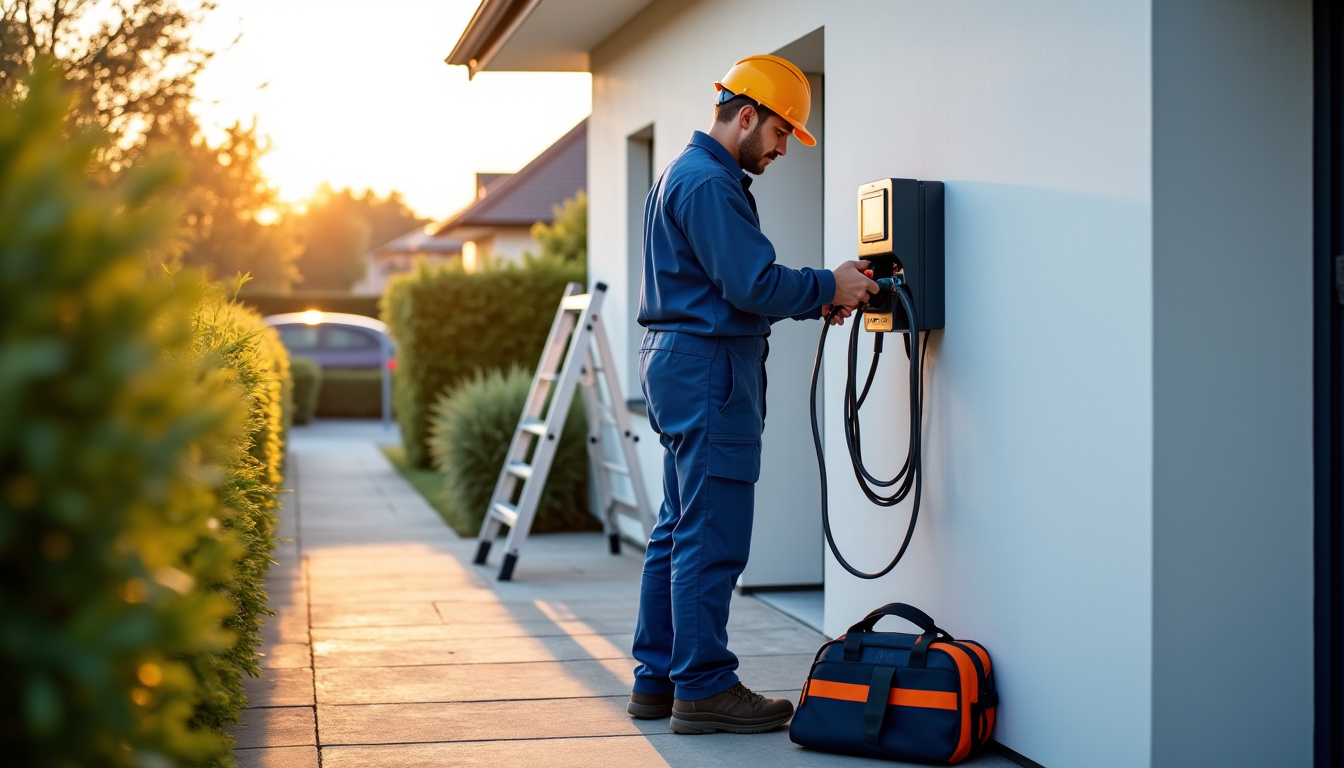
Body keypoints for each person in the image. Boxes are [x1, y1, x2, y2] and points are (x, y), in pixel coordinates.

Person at [627, 54, 877, 735]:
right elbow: (752, 285)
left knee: (678, 528)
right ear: (746, 114)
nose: (782, 147)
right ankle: (704, 686)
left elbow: (736, 283)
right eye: (781, 131)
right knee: (711, 533)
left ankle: (658, 677)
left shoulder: (684, 173)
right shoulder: (709, 182)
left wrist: (821, 292)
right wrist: (830, 286)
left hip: (684, 361)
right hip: (709, 368)